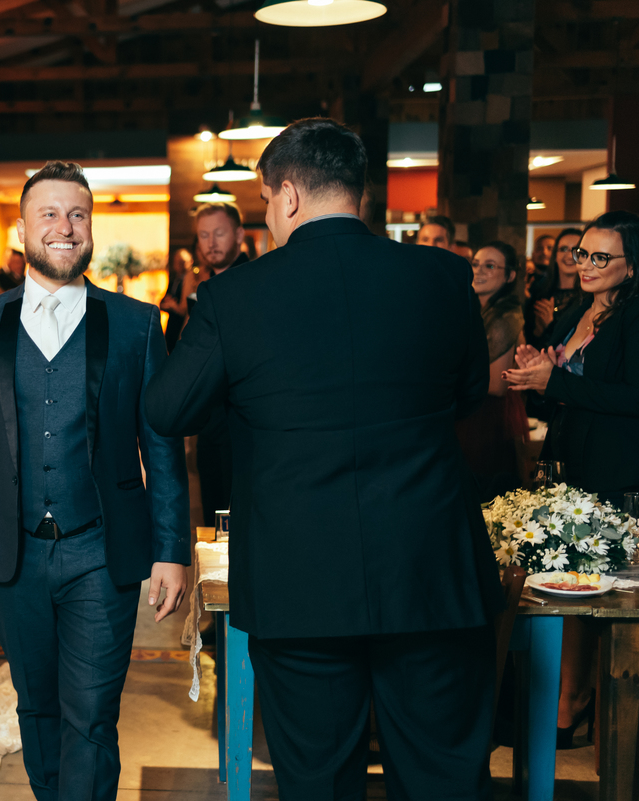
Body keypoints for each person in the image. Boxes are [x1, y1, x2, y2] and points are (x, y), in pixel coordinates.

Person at [145, 118, 502, 800]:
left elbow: (168, 409)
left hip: (298, 577)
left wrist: (244, 401)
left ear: (286, 195)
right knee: (443, 778)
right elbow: (465, 396)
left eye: (264, 202)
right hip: (429, 568)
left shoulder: (233, 296)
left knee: (318, 779)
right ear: (356, 191)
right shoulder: (441, 277)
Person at [0, 160, 190, 801]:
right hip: (12, 548)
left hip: (101, 548)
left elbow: (160, 443)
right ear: (21, 231)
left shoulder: (135, 323)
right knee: (36, 706)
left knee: (91, 714)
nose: (64, 227)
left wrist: (171, 549)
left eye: (77, 214)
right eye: (48, 214)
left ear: (90, 227)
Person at [505, 211, 639, 748]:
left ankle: (580, 701)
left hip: (615, 470)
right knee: (565, 585)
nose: (586, 264)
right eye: (583, 253)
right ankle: (566, 696)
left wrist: (555, 381)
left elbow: (631, 397)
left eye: (602, 257)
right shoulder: (576, 309)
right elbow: (559, 388)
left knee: (601, 591)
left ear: (632, 266)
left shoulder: (633, 316)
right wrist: (535, 372)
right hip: (568, 466)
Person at [188, 202, 248, 525]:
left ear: (238, 235)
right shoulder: (202, 289)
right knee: (213, 517)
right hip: (210, 419)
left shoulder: (255, 282)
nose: (211, 243)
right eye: (204, 235)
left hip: (244, 419)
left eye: (219, 233)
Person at [455, 242, 527, 501]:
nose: (479, 271)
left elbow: (497, 384)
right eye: (475, 264)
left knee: (485, 493)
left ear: (510, 276)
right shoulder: (479, 308)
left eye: (490, 266)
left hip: (488, 417)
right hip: (474, 407)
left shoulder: (505, 315)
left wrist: (447, 380)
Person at [525, 227, 584, 347]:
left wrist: (549, 326)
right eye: (563, 249)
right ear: (555, 255)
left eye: (576, 250)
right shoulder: (539, 293)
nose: (569, 255)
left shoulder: (589, 299)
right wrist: (537, 331)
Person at [158, 247, 194, 352]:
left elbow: (185, 308)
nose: (179, 265)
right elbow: (162, 302)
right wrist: (168, 304)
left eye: (182, 262)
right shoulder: (173, 281)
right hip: (171, 327)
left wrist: (174, 305)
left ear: (190, 262)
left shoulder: (191, 281)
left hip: (183, 325)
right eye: (177, 262)